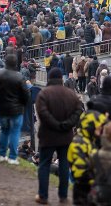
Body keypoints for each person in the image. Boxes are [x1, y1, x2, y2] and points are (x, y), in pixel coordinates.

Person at [34, 68, 83, 204]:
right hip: (65, 136)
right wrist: (67, 124)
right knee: (64, 165)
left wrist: (55, 124)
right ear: (61, 78)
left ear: (49, 78)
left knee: (44, 164)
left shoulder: (43, 94)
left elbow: (42, 113)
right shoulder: (70, 94)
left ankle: (43, 196)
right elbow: (79, 108)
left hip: (47, 135)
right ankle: (63, 196)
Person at [0, 54, 29, 165]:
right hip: (16, 110)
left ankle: (1, 154)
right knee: (15, 132)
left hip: (2, 107)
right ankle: (12, 156)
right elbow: (26, 95)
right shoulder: (19, 77)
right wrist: (22, 104)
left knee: (5, 131)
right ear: (16, 64)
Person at [67, 110, 108, 205]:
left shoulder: (89, 141)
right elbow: (80, 172)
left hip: (89, 188)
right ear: (90, 127)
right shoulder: (79, 143)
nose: (100, 131)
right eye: (98, 128)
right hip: (84, 190)